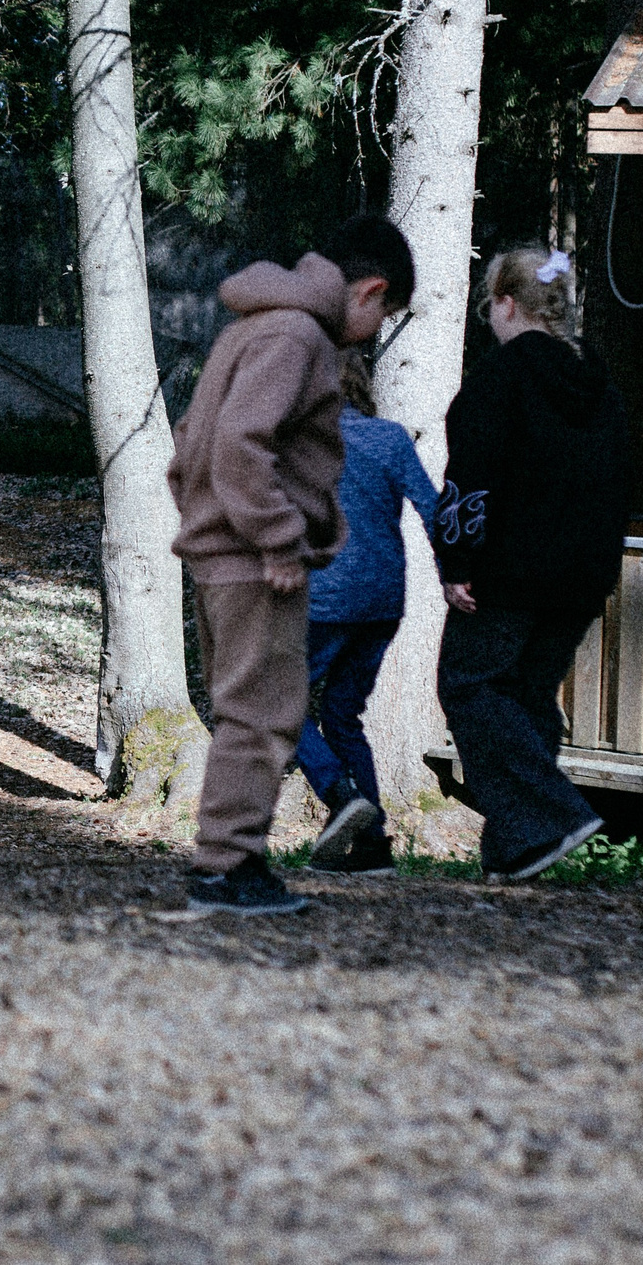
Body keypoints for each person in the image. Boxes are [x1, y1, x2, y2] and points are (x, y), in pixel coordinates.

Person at [169, 215, 414, 916]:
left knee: (247, 709)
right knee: (267, 713)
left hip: (224, 549)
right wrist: (277, 537)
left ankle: (229, 862)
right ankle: (228, 870)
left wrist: (204, 521)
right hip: (256, 560)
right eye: (384, 315)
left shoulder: (252, 327)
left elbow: (190, 440)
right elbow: (243, 444)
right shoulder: (298, 336)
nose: (373, 331)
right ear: (370, 290)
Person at [433, 244, 628, 883]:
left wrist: (455, 559)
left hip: (509, 572)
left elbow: (471, 475)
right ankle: (516, 853)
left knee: (469, 685)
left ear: (508, 304)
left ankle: (552, 814)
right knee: (526, 698)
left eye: (490, 304)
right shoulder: (598, 380)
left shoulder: (501, 375)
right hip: (582, 576)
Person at [296, 350, 439, 876]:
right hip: (383, 603)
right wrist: (453, 577)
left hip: (326, 599)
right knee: (340, 712)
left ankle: (338, 791)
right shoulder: (392, 438)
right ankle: (374, 847)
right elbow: (432, 508)